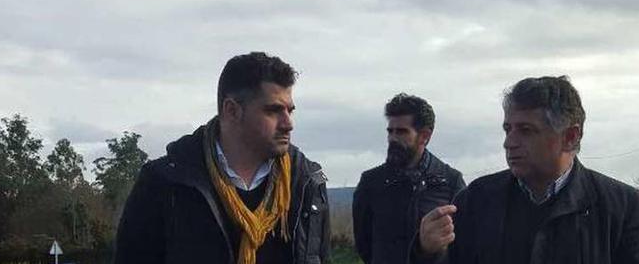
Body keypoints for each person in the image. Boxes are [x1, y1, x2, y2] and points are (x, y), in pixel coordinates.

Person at [114, 52, 330, 264]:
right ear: (232, 110)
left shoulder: (305, 183)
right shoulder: (165, 184)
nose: (288, 123)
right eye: (273, 110)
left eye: (289, 111)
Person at [416, 76, 639, 264]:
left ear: (570, 137)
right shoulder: (477, 199)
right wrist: (428, 252)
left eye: (526, 130)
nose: (509, 142)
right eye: (507, 129)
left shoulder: (622, 207)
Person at [354, 93, 465, 264]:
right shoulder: (371, 183)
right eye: (390, 131)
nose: (393, 138)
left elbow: (462, 244)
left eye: (402, 132)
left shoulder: (450, 182)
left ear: (424, 136)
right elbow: (364, 244)